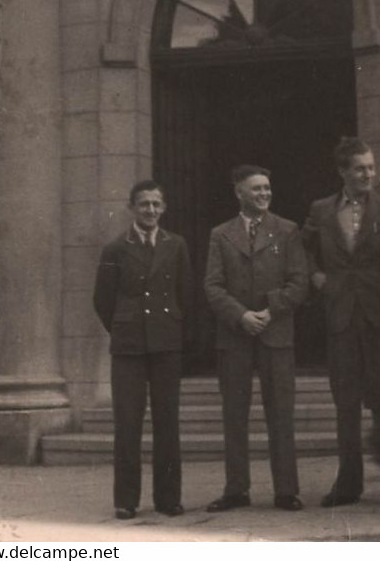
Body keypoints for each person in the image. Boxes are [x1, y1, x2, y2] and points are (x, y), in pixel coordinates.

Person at [302, 137, 380, 507]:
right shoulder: (321, 210)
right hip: (341, 317)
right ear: (343, 172)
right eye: (361, 168)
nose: (369, 174)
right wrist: (315, 276)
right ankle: (348, 485)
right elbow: (302, 250)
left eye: (372, 167)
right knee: (345, 404)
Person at [204, 165, 308, 512]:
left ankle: (286, 490)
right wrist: (241, 316)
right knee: (235, 415)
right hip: (234, 337)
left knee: (281, 413)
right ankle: (236, 490)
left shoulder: (287, 230)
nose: (264, 194)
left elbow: (299, 282)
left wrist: (269, 311)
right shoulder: (221, 234)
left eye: (267, 188)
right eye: (256, 189)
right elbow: (213, 286)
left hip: (275, 334)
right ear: (239, 193)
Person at [93, 180, 193, 520]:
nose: (150, 210)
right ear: (131, 208)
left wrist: (173, 329)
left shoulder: (176, 245)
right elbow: (103, 300)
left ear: (163, 208)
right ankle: (126, 500)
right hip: (129, 347)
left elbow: (185, 293)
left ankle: (168, 498)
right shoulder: (115, 249)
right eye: (144, 204)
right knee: (128, 422)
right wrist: (124, 327)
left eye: (156, 204)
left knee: (167, 421)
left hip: (166, 344)